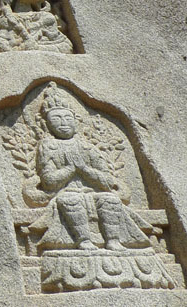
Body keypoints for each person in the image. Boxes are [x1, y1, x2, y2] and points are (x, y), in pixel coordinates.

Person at [30, 83, 150, 252]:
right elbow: (48, 180)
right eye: (56, 119)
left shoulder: (86, 147)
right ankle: (83, 240)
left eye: (68, 118)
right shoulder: (48, 147)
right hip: (65, 192)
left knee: (110, 199)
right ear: (46, 124)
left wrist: (85, 170)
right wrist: (71, 170)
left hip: (91, 190)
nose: (63, 123)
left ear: (76, 121)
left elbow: (107, 181)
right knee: (71, 200)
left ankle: (113, 241)